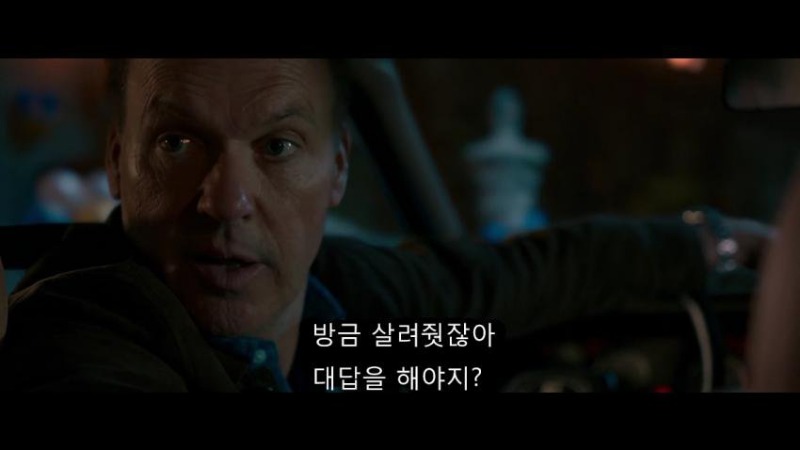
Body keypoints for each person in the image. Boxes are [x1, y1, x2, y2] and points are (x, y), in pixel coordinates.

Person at [0, 59, 771, 392]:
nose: (226, 201)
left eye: (277, 147)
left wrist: (718, 243)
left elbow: (504, 282)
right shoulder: (72, 349)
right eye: (177, 144)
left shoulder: (343, 299)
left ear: (337, 170)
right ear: (117, 163)